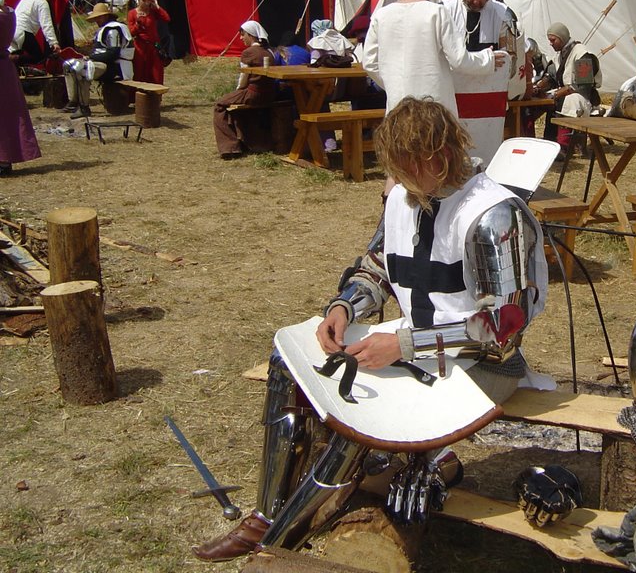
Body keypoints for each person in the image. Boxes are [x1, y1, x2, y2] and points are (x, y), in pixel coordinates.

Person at [192, 97, 548, 561]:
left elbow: (505, 327)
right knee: (290, 365)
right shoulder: (407, 195)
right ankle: (266, 511)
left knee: (353, 419)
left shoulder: (495, 215)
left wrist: (403, 344)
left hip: (479, 367)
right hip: (415, 343)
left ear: (439, 157)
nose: (397, 178)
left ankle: (278, 546)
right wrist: (343, 307)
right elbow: (377, 267)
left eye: (406, 165)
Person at [362, 0, 506, 118]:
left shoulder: (381, 15)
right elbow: (459, 60)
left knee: (401, 143)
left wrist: (394, 84)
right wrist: (488, 59)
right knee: (434, 143)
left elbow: (369, 63)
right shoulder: (437, 13)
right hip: (433, 109)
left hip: (397, 106)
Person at [443, 0, 518, 165]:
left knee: (486, 145)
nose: (476, 1)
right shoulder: (444, 10)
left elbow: (509, 58)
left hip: (488, 96)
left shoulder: (503, 14)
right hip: (452, 92)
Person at [212, 21, 277, 158]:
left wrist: (237, 91)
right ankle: (247, 141)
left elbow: (244, 78)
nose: (241, 38)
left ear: (251, 35)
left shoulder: (248, 53)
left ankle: (230, 147)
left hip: (253, 93)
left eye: (243, 35)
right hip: (270, 93)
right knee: (236, 107)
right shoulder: (270, 52)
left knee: (219, 105)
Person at [62, 3, 134, 119]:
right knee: (69, 65)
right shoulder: (106, 28)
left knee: (83, 69)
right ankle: (73, 101)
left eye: (99, 17)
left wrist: (91, 58)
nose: (97, 20)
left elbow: (113, 53)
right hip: (106, 64)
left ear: (106, 16)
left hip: (117, 67)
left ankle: (84, 107)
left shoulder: (112, 29)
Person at [0, 0, 41, 176]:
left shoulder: (3, 17)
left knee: (4, 116)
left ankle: (3, 159)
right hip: (5, 68)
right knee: (7, 115)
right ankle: (5, 159)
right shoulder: (9, 13)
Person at [544, 22, 602, 158]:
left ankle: (564, 146)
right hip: (567, 93)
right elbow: (552, 76)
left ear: (562, 38)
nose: (551, 44)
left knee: (569, 101)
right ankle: (550, 143)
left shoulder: (582, 54)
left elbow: (583, 84)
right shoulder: (560, 55)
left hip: (583, 97)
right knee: (548, 102)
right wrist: (539, 86)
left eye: (553, 40)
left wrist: (560, 93)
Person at [9, 0, 60, 67]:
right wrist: (54, 42)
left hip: (12, 30)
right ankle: (11, 58)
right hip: (24, 31)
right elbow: (46, 24)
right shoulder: (42, 2)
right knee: (38, 58)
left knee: (18, 57)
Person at [127, 0, 170, 84]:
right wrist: (138, 24)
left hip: (153, 47)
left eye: (148, 1)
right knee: (139, 73)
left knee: (156, 74)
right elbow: (131, 33)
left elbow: (166, 18)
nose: (146, 3)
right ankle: (138, 97)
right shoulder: (132, 13)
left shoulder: (153, 12)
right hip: (140, 47)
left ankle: (154, 97)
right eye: (144, 1)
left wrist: (157, 7)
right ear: (138, 1)